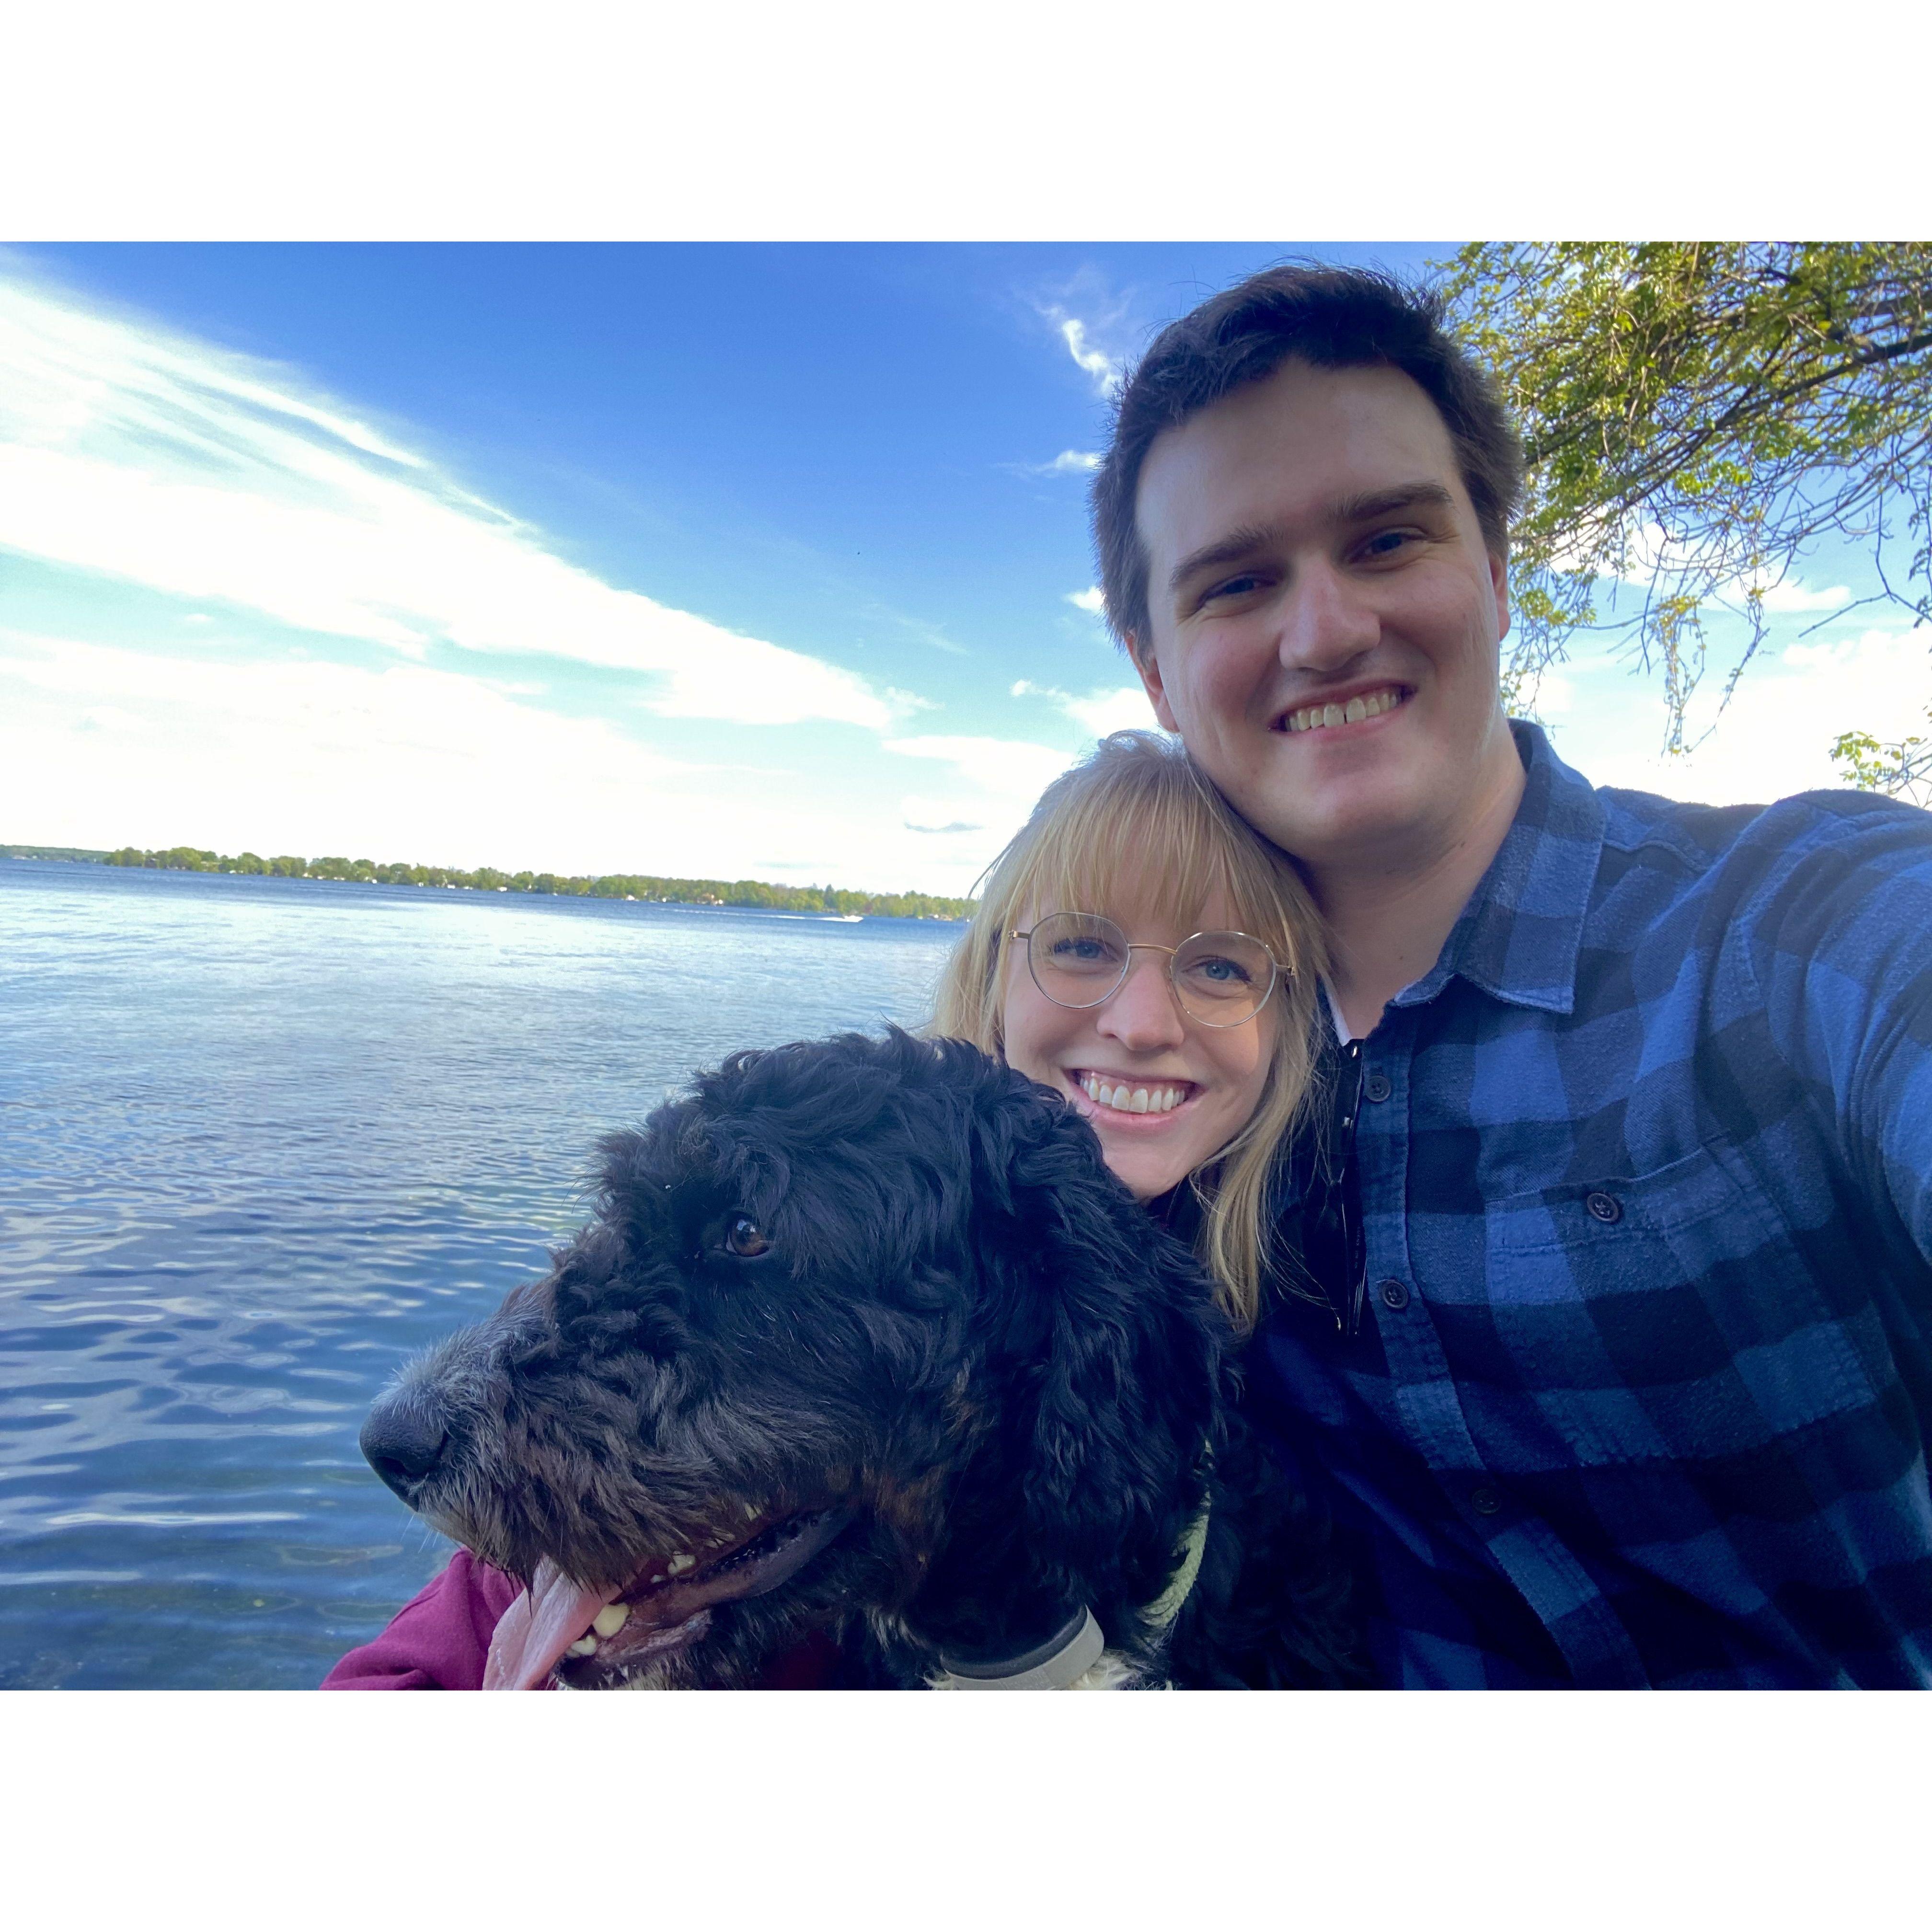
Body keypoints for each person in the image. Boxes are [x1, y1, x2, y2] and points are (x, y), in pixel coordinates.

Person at [1092, 262, 1932, 1688]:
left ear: (1492, 570)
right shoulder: (1179, 1078)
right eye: (1238, 582)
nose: (1325, 630)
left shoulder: (1788, 927)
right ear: (1158, 673)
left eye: (1387, 541)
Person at [325, 731, 1330, 1686]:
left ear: (1289, 1016)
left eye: (1218, 965)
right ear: (993, 974)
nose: (1141, 1021)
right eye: (1079, 947)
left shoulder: (1344, 1325)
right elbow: (426, 1671)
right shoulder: (875, 1165)